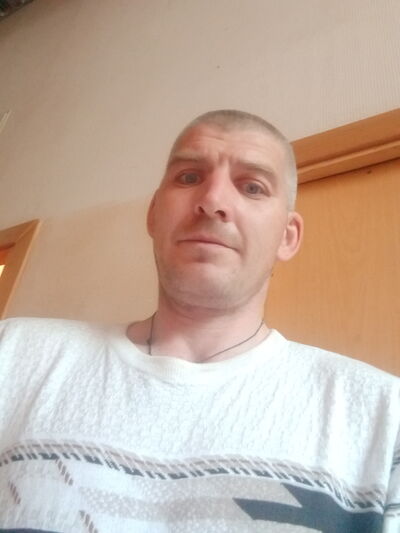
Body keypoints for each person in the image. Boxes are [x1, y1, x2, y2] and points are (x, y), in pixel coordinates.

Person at [0, 109, 398, 533]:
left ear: (288, 236)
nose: (213, 201)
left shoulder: (384, 417)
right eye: (189, 177)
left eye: (252, 186)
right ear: (153, 214)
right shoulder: (13, 355)